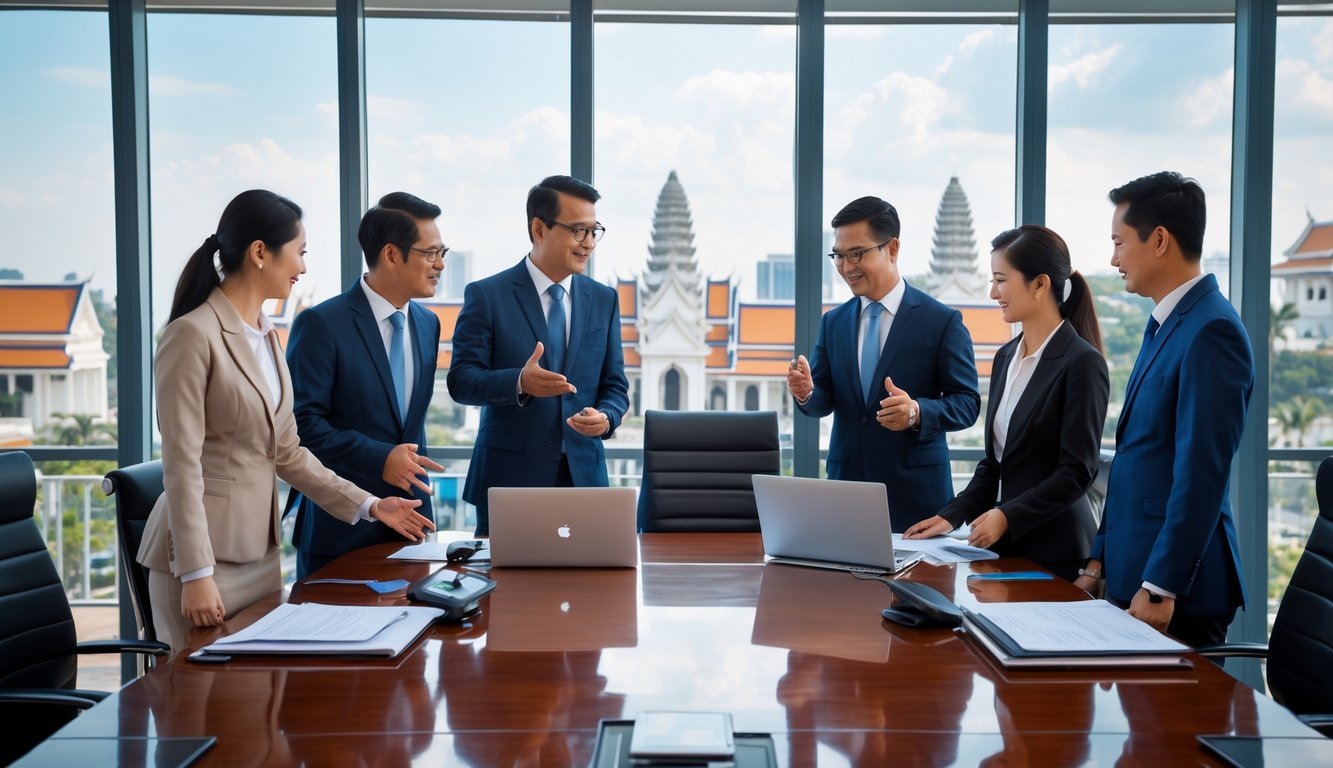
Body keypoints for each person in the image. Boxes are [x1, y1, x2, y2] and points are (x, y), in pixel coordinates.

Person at [137, 189, 435, 649]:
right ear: (261, 253)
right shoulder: (191, 335)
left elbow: (289, 452)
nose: (303, 267)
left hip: (259, 554)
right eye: (300, 252)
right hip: (201, 561)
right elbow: (182, 464)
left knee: (252, 707)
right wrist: (196, 573)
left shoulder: (267, 336)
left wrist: (370, 506)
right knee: (199, 710)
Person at [1072, 171, 1254, 646]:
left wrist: (1160, 584)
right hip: (1133, 575)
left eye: (1118, 242)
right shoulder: (1165, 325)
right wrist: (1098, 561)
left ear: (1158, 240)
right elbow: (1135, 456)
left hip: (1176, 596)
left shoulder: (1213, 331)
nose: (1113, 259)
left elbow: (1202, 474)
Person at [903, 225, 1110, 581]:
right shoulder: (1005, 357)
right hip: (1004, 549)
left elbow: (1076, 472)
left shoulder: (1082, 363)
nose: (992, 292)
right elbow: (995, 463)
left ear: (1040, 284)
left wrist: (1008, 515)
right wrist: (951, 515)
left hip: (1056, 552)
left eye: (1001, 280)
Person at [446, 175, 629, 535]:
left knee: (588, 591)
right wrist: (519, 382)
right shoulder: (488, 295)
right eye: (579, 231)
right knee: (507, 591)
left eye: (595, 231)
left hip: (584, 480)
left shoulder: (603, 299)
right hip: (509, 481)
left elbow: (615, 385)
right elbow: (461, 380)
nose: (589, 243)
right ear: (539, 229)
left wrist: (607, 417)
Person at [787, 196, 980, 531]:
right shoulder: (833, 322)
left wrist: (917, 412)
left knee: (919, 585)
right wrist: (806, 393)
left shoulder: (941, 321)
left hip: (917, 499)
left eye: (856, 254)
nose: (846, 267)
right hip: (848, 491)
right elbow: (824, 401)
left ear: (892, 249)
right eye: (839, 256)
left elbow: (967, 404)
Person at [286, 192, 447, 578]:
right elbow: (300, 426)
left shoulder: (428, 325)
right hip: (339, 533)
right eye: (430, 253)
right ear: (391, 255)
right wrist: (380, 458)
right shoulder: (322, 324)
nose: (440, 264)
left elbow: (409, 425)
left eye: (443, 252)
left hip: (411, 529)